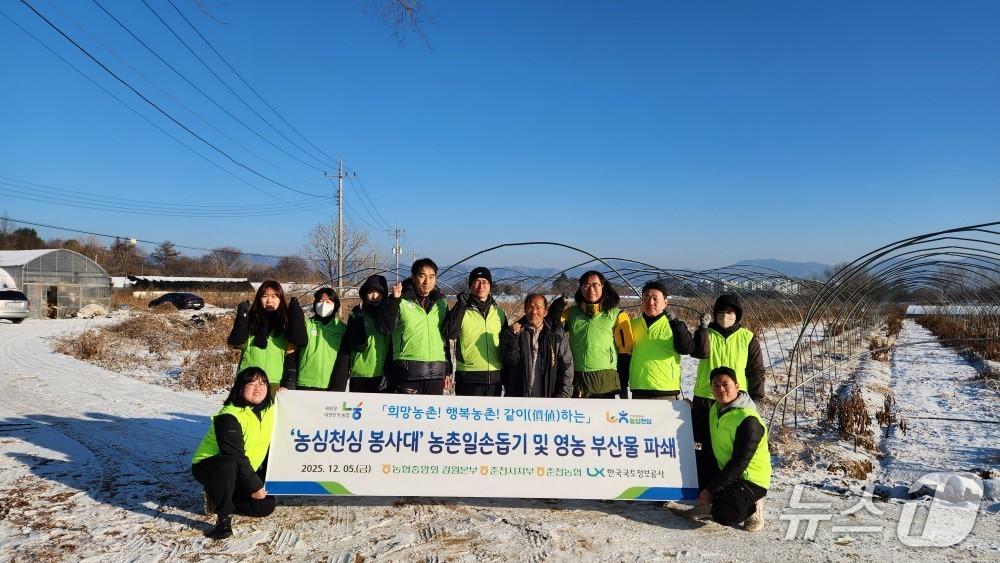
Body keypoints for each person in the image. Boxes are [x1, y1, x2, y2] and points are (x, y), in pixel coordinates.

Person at [191, 367, 277, 539]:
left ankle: (218, 500)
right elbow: (236, 456)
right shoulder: (228, 416)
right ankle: (223, 518)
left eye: (263, 383)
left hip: (240, 470)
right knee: (228, 463)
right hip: (210, 466)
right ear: (240, 386)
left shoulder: (270, 410)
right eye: (251, 383)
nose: (258, 388)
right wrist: (255, 486)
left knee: (266, 506)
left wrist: (285, 395)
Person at [690, 294, 766, 487]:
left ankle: (733, 487)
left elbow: (756, 371)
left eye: (730, 312)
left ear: (737, 315)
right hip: (706, 397)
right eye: (721, 312)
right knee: (706, 444)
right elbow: (698, 352)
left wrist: (757, 398)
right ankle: (707, 489)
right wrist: (702, 329)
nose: (725, 316)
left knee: (732, 446)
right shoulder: (707, 333)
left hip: (735, 402)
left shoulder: (747, 338)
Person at [692, 366, 770, 531]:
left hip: (750, 479)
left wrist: (710, 491)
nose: (721, 389)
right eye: (716, 385)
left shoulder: (748, 419)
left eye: (726, 384)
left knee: (723, 513)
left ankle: (754, 505)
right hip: (726, 469)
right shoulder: (715, 409)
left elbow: (739, 463)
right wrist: (685, 409)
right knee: (695, 458)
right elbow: (700, 432)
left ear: (737, 386)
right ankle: (715, 500)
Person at [553, 270, 632, 398]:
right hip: (577, 378)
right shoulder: (571, 313)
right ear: (580, 288)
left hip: (605, 381)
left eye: (595, 285)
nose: (591, 290)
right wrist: (556, 307)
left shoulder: (617, 315)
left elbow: (625, 351)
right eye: (586, 285)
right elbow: (552, 326)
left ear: (603, 286)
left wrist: (623, 384)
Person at [377, 258, 450, 394]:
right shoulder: (400, 300)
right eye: (422, 276)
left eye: (431, 276)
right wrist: (393, 301)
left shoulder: (441, 304)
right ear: (413, 278)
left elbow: (443, 338)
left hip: (436, 373)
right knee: (409, 414)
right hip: (408, 371)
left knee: (431, 414)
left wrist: (447, 370)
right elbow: (386, 328)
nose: (427, 281)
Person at [227, 281, 306, 393]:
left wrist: (289, 383)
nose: (269, 300)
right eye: (265, 296)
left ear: (280, 299)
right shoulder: (250, 324)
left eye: (274, 296)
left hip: (273, 385)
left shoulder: (286, 327)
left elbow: (290, 360)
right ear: (259, 299)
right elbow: (236, 342)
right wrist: (242, 317)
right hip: (248, 383)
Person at [445, 267, 510, 397]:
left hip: (495, 374)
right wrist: (459, 306)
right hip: (469, 375)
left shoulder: (498, 312)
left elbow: (505, 342)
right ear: (470, 286)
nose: (481, 285)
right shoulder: (462, 309)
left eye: (485, 281)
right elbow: (450, 333)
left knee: (492, 415)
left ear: (490, 286)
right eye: (477, 281)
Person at [624, 281, 694, 400]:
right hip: (639, 388)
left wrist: (675, 323)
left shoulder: (675, 325)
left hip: (666, 389)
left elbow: (686, 348)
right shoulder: (632, 325)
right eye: (646, 297)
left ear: (665, 302)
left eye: (655, 298)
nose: (650, 302)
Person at [502, 293, 574, 398]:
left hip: (549, 398)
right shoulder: (515, 332)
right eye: (530, 308)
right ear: (525, 310)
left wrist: (563, 396)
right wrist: (512, 338)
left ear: (546, 312)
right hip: (519, 400)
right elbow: (508, 361)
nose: (534, 312)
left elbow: (567, 366)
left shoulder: (556, 334)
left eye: (538, 308)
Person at [331, 274, 392, 392]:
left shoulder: (388, 318)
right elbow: (347, 348)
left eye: (379, 292)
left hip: (382, 375)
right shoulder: (357, 315)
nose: (374, 296)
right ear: (364, 294)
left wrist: (390, 373)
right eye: (370, 292)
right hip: (359, 375)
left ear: (384, 295)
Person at [280, 287, 346, 391]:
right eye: (320, 301)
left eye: (328, 301)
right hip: (305, 382)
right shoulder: (305, 324)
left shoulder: (341, 328)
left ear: (335, 305)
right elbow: (292, 348)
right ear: (315, 304)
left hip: (329, 384)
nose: (324, 304)